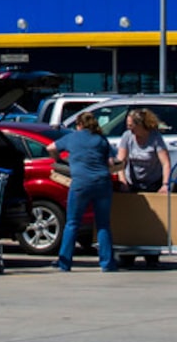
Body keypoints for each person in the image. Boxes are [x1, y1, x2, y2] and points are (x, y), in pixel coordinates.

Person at [46, 110, 121, 272]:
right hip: (102, 183)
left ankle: (64, 263)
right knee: (103, 224)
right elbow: (111, 161)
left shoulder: (72, 137)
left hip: (80, 183)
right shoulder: (101, 139)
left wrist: (59, 159)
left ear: (79, 125)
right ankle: (107, 263)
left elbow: (50, 147)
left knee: (72, 223)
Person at [116, 108, 172, 194]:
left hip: (153, 184)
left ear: (140, 125)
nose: (128, 128)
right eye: (127, 125)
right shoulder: (127, 136)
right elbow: (121, 162)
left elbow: (165, 163)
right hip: (132, 184)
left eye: (131, 126)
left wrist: (165, 184)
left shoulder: (155, 137)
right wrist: (123, 182)